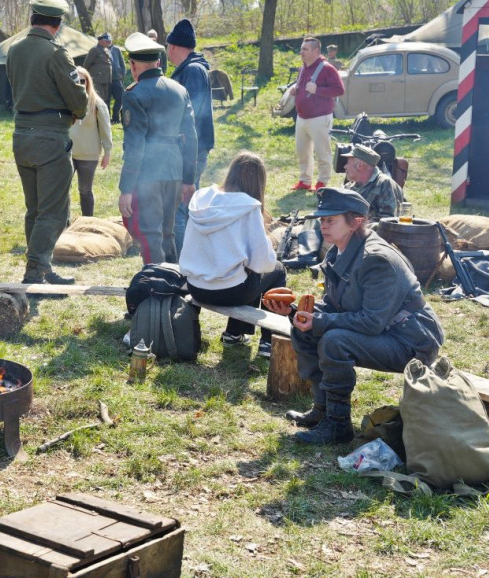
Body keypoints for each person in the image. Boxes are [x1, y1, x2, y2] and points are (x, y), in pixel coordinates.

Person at [264, 188, 445, 445]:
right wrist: (295, 312)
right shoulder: (340, 250)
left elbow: (371, 322)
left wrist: (321, 322)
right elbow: (335, 307)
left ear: (356, 221)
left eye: (331, 220)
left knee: (335, 340)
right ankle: (322, 409)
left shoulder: (376, 260)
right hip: (384, 332)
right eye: (322, 220)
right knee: (303, 330)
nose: (324, 226)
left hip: (411, 341)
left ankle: (338, 425)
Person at [6, 0, 90, 284]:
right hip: (50, 137)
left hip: (22, 136)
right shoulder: (56, 53)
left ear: (33, 19)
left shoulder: (14, 50)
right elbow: (77, 99)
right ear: (58, 24)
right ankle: (35, 268)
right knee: (53, 210)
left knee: (35, 208)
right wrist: (79, 109)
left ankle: (42, 266)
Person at [180, 152, 286, 359]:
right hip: (229, 292)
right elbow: (263, 262)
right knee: (275, 270)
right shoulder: (248, 207)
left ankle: (235, 333)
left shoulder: (201, 198)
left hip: (195, 286)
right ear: (258, 181)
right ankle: (268, 341)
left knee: (246, 272)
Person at [118, 32, 197, 265]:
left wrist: (126, 188)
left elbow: (135, 145)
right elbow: (191, 137)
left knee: (150, 232)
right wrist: (188, 179)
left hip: (147, 173)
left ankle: (156, 285)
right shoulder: (179, 90)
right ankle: (173, 280)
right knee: (167, 232)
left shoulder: (134, 94)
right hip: (174, 169)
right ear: (159, 62)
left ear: (132, 65)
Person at [166, 19, 214, 255]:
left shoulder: (193, 70)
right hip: (189, 149)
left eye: (167, 48)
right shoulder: (192, 68)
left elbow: (192, 115)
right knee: (188, 207)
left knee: (179, 209)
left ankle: (183, 265)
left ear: (173, 47)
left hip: (190, 150)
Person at [289, 36, 344, 192]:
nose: (301, 52)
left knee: (322, 151)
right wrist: (296, 90)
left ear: (316, 51)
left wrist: (318, 90)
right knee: (302, 152)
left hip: (320, 118)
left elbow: (340, 90)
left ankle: (322, 182)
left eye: (305, 49)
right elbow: (304, 87)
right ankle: (305, 181)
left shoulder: (327, 68)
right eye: (301, 49)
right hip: (302, 117)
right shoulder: (303, 68)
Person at [70, 66, 112, 217]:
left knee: (85, 190)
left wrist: (107, 152)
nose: (80, 84)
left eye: (83, 81)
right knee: (62, 189)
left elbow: (106, 129)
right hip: (68, 153)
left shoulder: (97, 104)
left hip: (88, 154)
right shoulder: (67, 100)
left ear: (88, 82)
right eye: (76, 80)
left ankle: (88, 221)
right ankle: (63, 222)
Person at [341, 144, 404, 224]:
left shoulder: (384, 184)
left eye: (348, 163)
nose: (345, 167)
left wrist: (357, 227)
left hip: (374, 235)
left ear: (360, 165)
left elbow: (389, 221)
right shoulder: (349, 187)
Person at [83, 33, 113, 103]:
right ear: (101, 41)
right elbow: (86, 64)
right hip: (97, 80)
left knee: (104, 99)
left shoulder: (106, 50)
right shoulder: (94, 50)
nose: (109, 43)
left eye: (110, 41)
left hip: (106, 79)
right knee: (98, 99)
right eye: (107, 41)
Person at [108, 36, 126, 122]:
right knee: (106, 100)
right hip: (106, 80)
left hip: (117, 79)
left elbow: (122, 63)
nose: (109, 41)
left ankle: (115, 117)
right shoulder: (100, 50)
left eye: (110, 39)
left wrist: (122, 74)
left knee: (120, 98)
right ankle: (107, 118)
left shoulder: (116, 49)